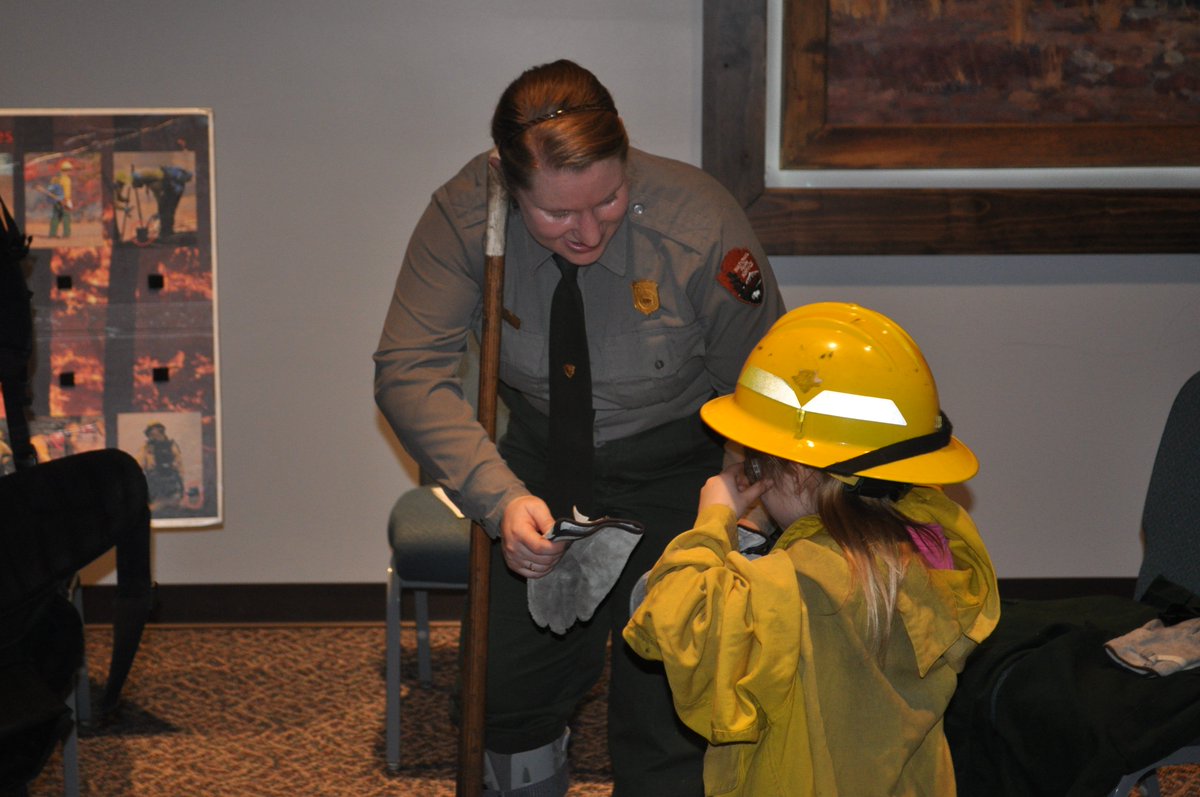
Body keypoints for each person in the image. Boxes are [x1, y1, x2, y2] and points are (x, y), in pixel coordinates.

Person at [374, 59, 785, 795]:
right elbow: (407, 370)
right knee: (501, 695)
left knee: (671, 701)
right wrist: (499, 500)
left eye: (609, 198)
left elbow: (763, 394)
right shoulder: (469, 214)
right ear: (508, 177)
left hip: (681, 468)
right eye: (559, 214)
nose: (588, 230)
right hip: (536, 463)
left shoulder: (700, 222)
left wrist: (741, 514)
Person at [623, 302, 1000, 797]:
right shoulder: (938, 539)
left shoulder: (797, 585)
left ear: (796, 470)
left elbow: (667, 618)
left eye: (756, 457)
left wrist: (713, 522)